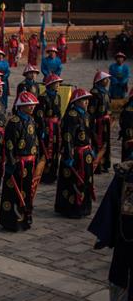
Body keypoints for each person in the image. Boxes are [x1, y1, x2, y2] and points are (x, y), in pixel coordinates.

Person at [88, 157, 133, 301]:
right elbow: (113, 204)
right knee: (121, 280)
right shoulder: (126, 174)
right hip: (126, 243)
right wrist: (106, 231)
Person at [0, 92, 40, 232]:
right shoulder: (14, 122)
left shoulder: (31, 120)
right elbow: (9, 144)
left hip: (29, 163)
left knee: (27, 192)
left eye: (33, 105)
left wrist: (37, 156)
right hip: (17, 163)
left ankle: (25, 218)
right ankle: (12, 221)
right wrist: (10, 163)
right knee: (13, 193)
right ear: (21, 107)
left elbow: (35, 140)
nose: (32, 108)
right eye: (29, 105)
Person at [54, 88, 95, 218]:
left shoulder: (86, 114)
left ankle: (84, 207)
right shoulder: (72, 115)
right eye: (83, 100)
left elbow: (89, 133)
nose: (86, 102)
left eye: (87, 100)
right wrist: (68, 155)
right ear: (76, 101)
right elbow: (68, 137)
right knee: (73, 181)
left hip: (85, 153)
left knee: (86, 179)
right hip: (75, 154)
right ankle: (71, 208)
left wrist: (91, 148)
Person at [37, 74, 64, 184]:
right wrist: (42, 129)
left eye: (58, 83)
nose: (58, 85)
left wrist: (59, 124)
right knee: (46, 149)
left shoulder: (58, 96)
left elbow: (59, 113)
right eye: (56, 83)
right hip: (47, 127)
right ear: (50, 84)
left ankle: (53, 173)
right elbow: (39, 116)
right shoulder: (42, 97)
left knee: (56, 149)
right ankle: (44, 174)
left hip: (55, 127)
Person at [89, 71, 113, 173]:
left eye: (107, 79)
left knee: (106, 142)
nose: (107, 81)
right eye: (105, 79)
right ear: (100, 81)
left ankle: (104, 163)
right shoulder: (95, 93)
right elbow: (91, 110)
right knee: (97, 142)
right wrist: (92, 123)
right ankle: (97, 165)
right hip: (98, 122)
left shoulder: (106, 92)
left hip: (105, 121)